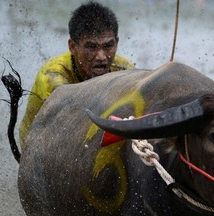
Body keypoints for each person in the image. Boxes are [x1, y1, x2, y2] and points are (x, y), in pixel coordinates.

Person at [19, 1, 135, 146]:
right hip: (41, 142)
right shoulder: (53, 76)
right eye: (91, 47)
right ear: (73, 47)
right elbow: (73, 122)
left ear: (116, 42)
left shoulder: (125, 70)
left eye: (108, 46)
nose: (101, 57)